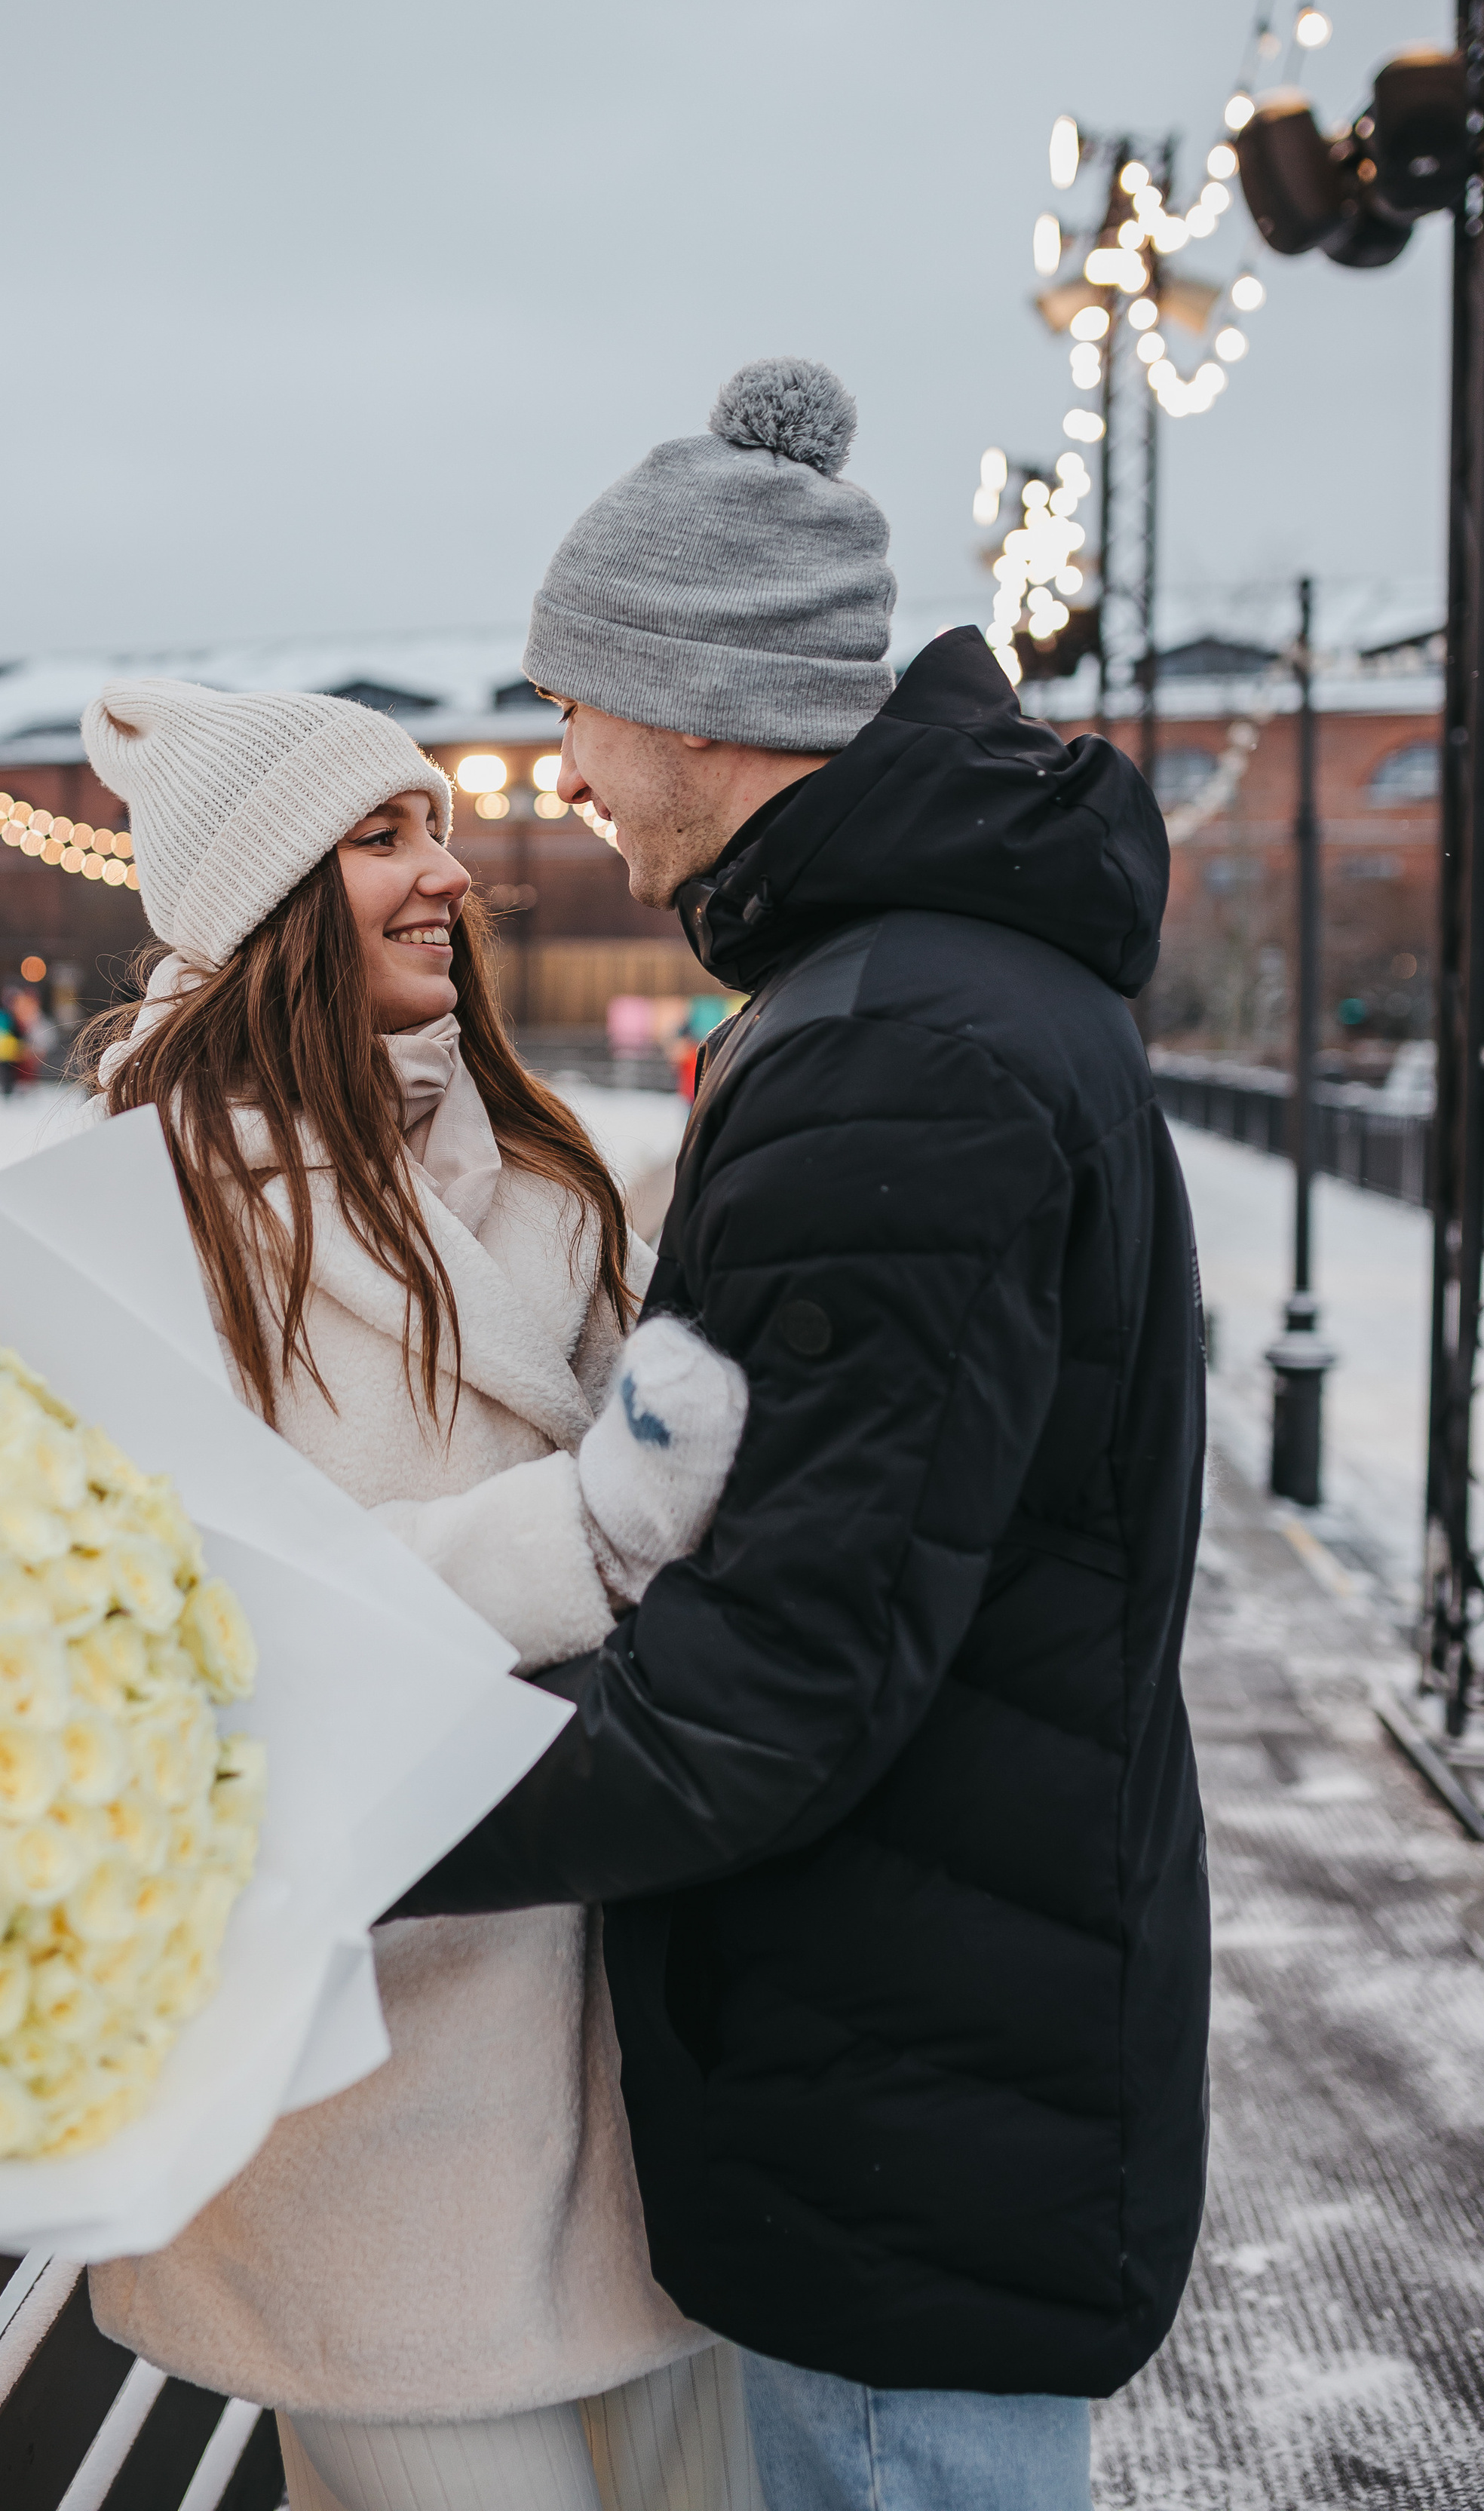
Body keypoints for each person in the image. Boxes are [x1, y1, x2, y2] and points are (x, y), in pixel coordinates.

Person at [397, 359, 1210, 2511]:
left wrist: (321, 1811)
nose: (559, 767)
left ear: (690, 701)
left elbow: (769, 1691)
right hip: (946, 2045)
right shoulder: (932, 996)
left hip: (908, 2097)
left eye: (574, 705)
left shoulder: (899, 1057)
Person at [77, 679, 764, 2511]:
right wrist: (580, 1532)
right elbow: (178, 1620)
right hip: (366, 2079)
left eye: (433, 828)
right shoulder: (146, 1209)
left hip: (620, 2055)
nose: (445, 875)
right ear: (266, 899)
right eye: (380, 839)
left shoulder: (548, 1171)